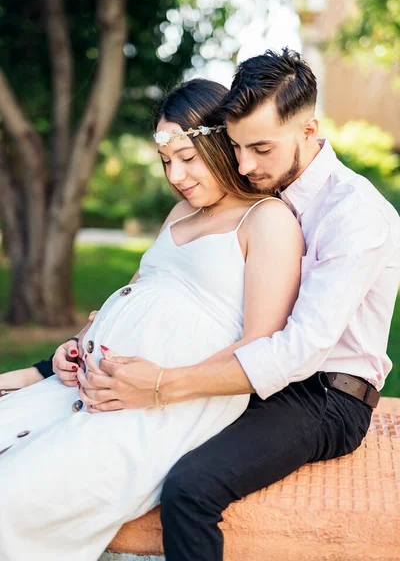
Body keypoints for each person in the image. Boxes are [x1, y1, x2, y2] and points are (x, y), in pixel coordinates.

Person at [35, 48, 398, 561]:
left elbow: (299, 350)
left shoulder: (356, 215)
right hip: (253, 374)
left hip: (325, 398)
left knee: (189, 488)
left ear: (310, 131)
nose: (246, 165)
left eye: (261, 149)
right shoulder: (263, 196)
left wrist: (162, 385)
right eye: (236, 147)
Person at [0, 78, 304, 561]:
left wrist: (158, 384)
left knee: (12, 497)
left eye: (188, 158)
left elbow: (261, 344)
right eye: (166, 162)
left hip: (162, 406)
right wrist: (74, 344)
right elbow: (135, 292)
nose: (176, 175)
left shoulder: (266, 220)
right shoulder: (180, 213)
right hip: (86, 385)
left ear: (223, 143)